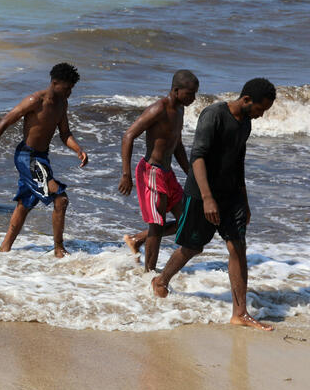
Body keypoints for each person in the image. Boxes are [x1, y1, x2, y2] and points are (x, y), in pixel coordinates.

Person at [152, 78, 276, 331]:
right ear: (246, 100)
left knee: (237, 247)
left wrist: (245, 199)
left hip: (232, 195)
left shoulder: (246, 123)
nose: (261, 116)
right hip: (201, 194)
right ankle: (161, 279)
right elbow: (198, 157)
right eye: (259, 109)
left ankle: (239, 313)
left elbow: (238, 160)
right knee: (192, 247)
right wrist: (208, 198)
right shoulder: (213, 115)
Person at [0, 63, 88, 257]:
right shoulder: (35, 100)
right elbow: (4, 122)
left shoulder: (62, 104)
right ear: (55, 82)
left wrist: (78, 149)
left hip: (42, 158)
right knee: (61, 198)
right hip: (27, 157)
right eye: (67, 88)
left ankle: (4, 250)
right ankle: (59, 249)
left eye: (72, 89)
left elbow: (65, 132)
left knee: (25, 204)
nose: (70, 92)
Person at [118, 70, 199, 270]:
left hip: (167, 173)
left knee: (187, 221)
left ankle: (138, 239)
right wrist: (126, 174)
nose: (193, 98)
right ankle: (150, 274)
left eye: (195, 94)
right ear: (176, 90)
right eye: (190, 94)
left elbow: (177, 145)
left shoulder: (180, 110)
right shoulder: (158, 109)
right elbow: (128, 136)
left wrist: (191, 173)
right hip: (151, 172)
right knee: (157, 224)